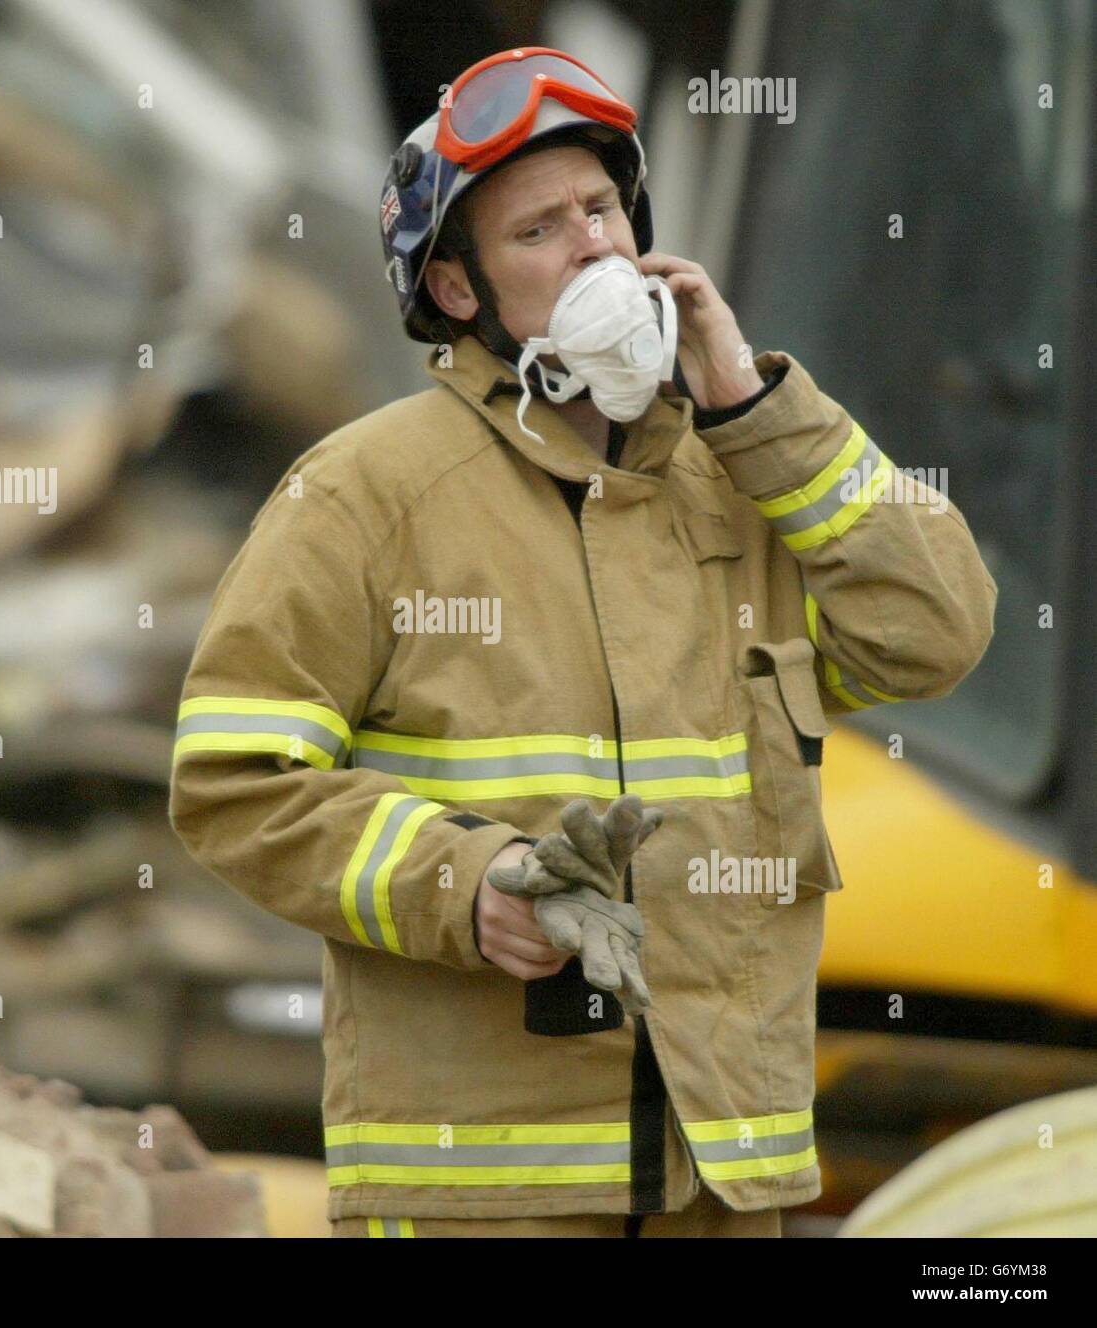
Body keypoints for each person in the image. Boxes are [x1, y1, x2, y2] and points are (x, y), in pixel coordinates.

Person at [169, 47, 997, 1238]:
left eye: (602, 209)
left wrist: (757, 409)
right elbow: (232, 785)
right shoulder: (364, 496)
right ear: (458, 292)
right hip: (482, 1194)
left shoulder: (741, 477)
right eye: (540, 231)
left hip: (724, 1174)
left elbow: (936, 629)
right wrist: (467, 885)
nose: (595, 248)